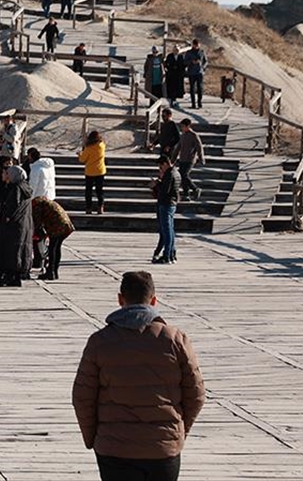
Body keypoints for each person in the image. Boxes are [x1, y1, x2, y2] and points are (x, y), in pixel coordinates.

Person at [72, 271, 205, 481]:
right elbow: (196, 395)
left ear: (120, 299)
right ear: (153, 300)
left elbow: (82, 397)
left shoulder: (99, 342)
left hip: (114, 448)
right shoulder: (176, 340)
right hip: (162, 449)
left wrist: (93, 438)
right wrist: (176, 432)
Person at [0, 164, 33, 287]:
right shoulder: (25, 187)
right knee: (17, 251)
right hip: (23, 225)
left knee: (4, 249)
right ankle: (15, 277)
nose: (4, 175)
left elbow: (12, 206)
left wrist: (7, 217)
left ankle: (2, 277)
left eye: (6, 173)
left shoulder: (16, 188)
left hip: (11, 226)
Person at [31, 196, 74, 280]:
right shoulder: (41, 201)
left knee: (52, 248)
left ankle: (51, 272)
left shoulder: (36, 205)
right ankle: (54, 271)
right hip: (65, 225)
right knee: (56, 248)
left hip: (57, 226)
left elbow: (37, 222)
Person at [150, 156, 181, 264]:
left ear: (165, 164)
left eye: (160, 166)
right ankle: (172, 254)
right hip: (172, 203)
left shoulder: (169, 174)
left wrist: (157, 184)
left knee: (166, 231)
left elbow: (165, 190)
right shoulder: (176, 173)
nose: (160, 169)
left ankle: (167, 255)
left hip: (166, 203)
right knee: (170, 230)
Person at [176, 119, 205, 202]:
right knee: (182, 176)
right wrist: (173, 159)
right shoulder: (183, 135)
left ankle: (195, 189)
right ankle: (186, 194)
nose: (182, 128)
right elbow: (178, 148)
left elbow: (199, 147)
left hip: (190, 159)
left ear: (188, 126)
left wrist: (201, 158)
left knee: (184, 174)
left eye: (183, 126)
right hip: (182, 158)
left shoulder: (194, 135)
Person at [79, 131, 107, 215]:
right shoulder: (102, 146)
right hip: (100, 171)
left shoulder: (88, 148)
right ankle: (100, 207)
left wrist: (80, 154)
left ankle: (88, 208)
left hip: (90, 171)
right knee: (99, 190)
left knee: (88, 191)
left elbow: (82, 160)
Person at [182, 40, 208, 109]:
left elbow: (205, 61)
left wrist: (203, 67)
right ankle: (193, 103)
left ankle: (199, 102)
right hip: (191, 72)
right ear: (193, 45)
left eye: (197, 45)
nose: (196, 46)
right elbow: (185, 62)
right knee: (192, 89)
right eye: (195, 45)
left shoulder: (202, 52)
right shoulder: (189, 52)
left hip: (199, 72)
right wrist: (191, 62)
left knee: (200, 88)